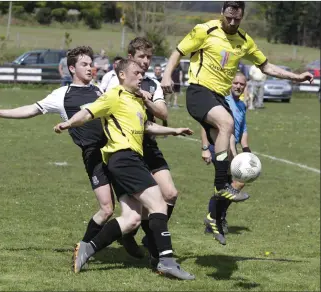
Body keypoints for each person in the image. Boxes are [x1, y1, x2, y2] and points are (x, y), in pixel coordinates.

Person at [161, 1, 313, 245]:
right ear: (222, 13)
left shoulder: (244, 40)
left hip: (218, 98)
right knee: (227, 122)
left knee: (236, 166)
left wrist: (296, 76)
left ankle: (215, 215)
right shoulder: (205, 30)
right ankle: (220, 185)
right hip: (199, 92)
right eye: (228, 17)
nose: (232, 23)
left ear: (242, 17)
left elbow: (265, 66)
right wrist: (167, 74)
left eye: (237, 19)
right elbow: (178, 51)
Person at [0, 46, 143, 258]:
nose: (90, 68)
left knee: (137, 202)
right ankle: (84, 248)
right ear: (71, 69)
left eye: (90, 64)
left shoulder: (98, 90)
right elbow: (32, 109)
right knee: (106, 209)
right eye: (84, 64)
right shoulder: (62, 95)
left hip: (116, 152)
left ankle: (127, 236)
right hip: (93, 155)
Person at [53, 59, 195, 280]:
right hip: (124, 158)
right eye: (137, 73)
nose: (141, 77)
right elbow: (88, 112)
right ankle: (166, 260)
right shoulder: (113, 96)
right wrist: (69, 123)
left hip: (125, 160)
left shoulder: (136, 100)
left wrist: (174, 130)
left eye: (142, 74)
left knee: (131, 219)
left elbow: (146, 126)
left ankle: (87, 248)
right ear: (121, 75)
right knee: (158, 203)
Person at [127, 37, 180, 258]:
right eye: (141, 56)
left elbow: (163, 113)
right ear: (131, 57)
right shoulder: (114, 80)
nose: (146, 61)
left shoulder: (152, 84)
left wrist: (145, 99)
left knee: (170, 193)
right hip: (127, 149)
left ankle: (150, 238)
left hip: (149, 146)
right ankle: (132, 236)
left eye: (149, 57)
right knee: (134, 212)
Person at [201, 72, 250, 243]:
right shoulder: (222, 102)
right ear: (230, 84)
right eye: (235, 83)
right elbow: (205, 125)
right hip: (218, 146)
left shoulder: (242, 106)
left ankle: (216, 217)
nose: (238, 86)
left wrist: (246, 148)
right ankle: (214, 218)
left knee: (235, 183)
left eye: (241, 84)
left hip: (233, 147)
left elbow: (243, 129)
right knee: (228, 184)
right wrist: (205, 148)